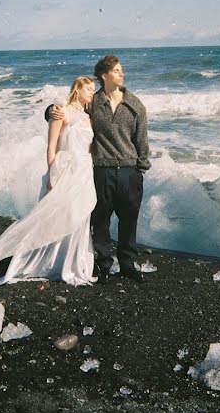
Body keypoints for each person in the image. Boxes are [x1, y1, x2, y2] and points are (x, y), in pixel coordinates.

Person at [0, 76, 98, 286]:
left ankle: (71, 262)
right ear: (77, 90)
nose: (92, 92)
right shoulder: (59, 112)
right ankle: (37, 261)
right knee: (54, 216)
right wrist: (52, 174)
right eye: (89, 89)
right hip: (65, 170)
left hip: (84, 172)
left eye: (94, 89)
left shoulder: (88, 117)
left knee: (78, 216)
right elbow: (51, 146)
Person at [49, 55, 150, 284]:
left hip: (129, 171)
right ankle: (103, 265)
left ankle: (127, 265)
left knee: (128, 221)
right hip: (102, 171)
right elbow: (71, 111)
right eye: (116, 70)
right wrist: (50, 111)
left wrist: (140, 170)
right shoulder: (93, 102)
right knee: (101, 220)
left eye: (121, 70)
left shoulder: (135, 105)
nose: (121, 73)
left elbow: (142, 141)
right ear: (104, 76)